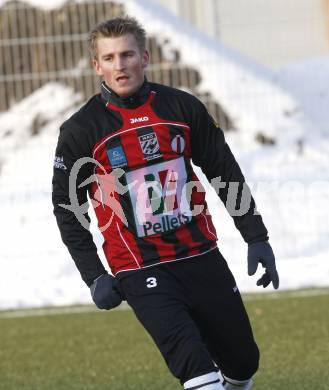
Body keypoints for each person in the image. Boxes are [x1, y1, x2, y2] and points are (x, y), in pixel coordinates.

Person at [52, 16, 279, 390]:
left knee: (242, 364)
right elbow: (66, 208)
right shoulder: (81, 131)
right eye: (109, 58)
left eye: (127, 55)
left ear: (145, 57)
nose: (119, 65)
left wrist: (256, 236)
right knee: (199, 373)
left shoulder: (182, 108)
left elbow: (224, 173)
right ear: (97, 66)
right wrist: (93, 275)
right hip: (140, 268)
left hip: (200, 255)